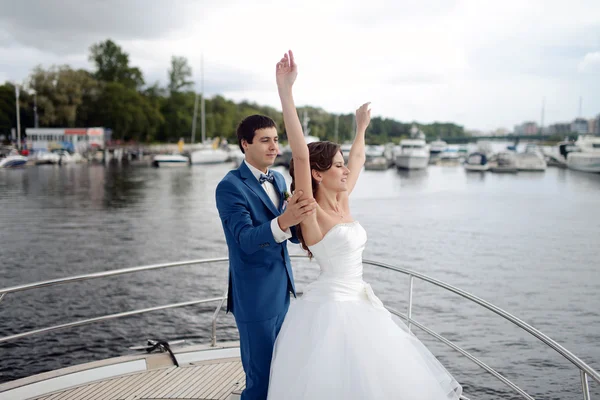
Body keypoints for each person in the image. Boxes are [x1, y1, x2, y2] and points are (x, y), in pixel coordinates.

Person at [266, 50, 463, 399]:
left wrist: (361, 128)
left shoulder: (342, 201)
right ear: (316, 173)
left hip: (362, 304)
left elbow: (358, 159)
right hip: (331, 312)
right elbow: (298, 153)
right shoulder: (310, 210)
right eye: (336, 166)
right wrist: (286, 91)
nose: (345, 171)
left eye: (343, 165)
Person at [215, 114, 317, 400]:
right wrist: (286, 220)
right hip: (254, 297)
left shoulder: (280, 177)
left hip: (283, 289)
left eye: (275, 139)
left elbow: (290, 232)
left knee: (282, 370)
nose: (274, 147)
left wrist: (301, 221)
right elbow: (245, 240)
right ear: (245, 144)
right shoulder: (230, 186)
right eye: (265, 140)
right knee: (260, 380)